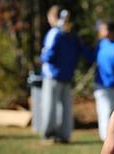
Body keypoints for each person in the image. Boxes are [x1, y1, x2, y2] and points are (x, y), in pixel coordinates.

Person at [39, 5, 91, 143]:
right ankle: (64, 135)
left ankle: (49, 135)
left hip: (52, 75)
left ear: (53, 17)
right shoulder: (72, 34)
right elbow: (83, 52)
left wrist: (42, 58)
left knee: (50, 106)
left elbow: (47, 56)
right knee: (66, 108)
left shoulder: (54, 33)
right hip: (67, 76)